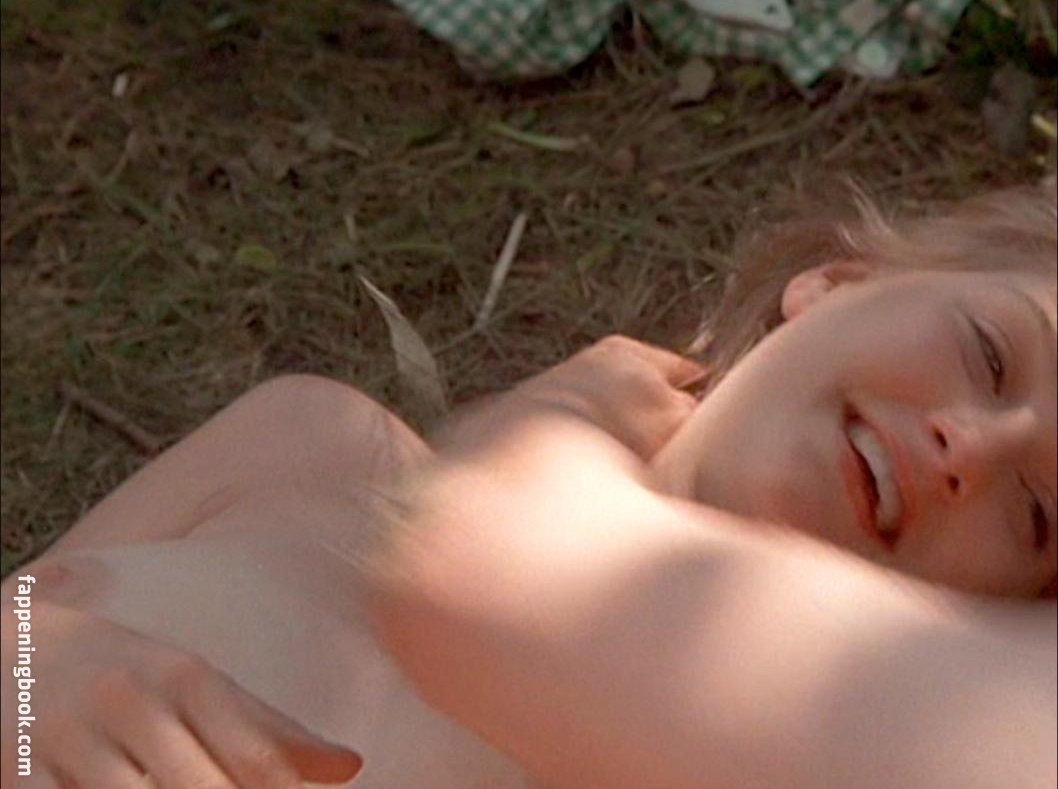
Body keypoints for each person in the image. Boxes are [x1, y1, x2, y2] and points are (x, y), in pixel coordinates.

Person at [1, 181, 1054, 787]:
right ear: (836, 283)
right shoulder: (306, 441)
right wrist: (29, 675)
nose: (967, 444)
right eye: (991, 353)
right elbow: (20, 624)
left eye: (1041, 511)